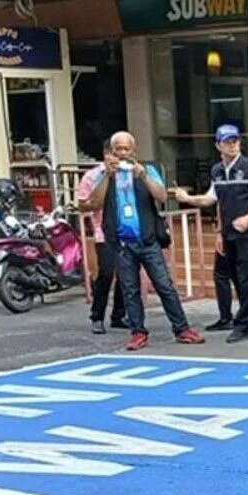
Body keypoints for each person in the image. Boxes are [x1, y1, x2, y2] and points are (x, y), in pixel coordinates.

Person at [85, 131, 205, 351]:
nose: (122, 153)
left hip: (147, 240)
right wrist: (107, 177)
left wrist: (143, 176)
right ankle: (138, 332)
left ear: (134, 150)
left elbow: (161, 196)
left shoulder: (147, 170)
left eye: (126, 148)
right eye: (118, 149)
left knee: (165, 286)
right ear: (112, 152)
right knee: (130, 290)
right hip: (121, 242)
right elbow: (93, 203)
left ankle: (182, 328)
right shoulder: (103, 174)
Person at [176, 124, 248, 343]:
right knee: (235, 277)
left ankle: (243, 323)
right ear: (218, 145)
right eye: (227, 142)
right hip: (229, 232)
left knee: (246, 278)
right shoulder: (217, 171)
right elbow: (212, 199)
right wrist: (188, 199)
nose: (232, 145)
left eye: (235, 141)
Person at [77, 138, 126, 335]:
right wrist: (106, 176)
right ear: (107, 153)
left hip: (127, 231)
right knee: (106, 273)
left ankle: (119, 315)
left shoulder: (128, 173)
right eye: (115, 152)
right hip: (103, 232)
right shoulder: (92, 176)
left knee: (126, 275)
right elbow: (83, 204)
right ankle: (97, 315)